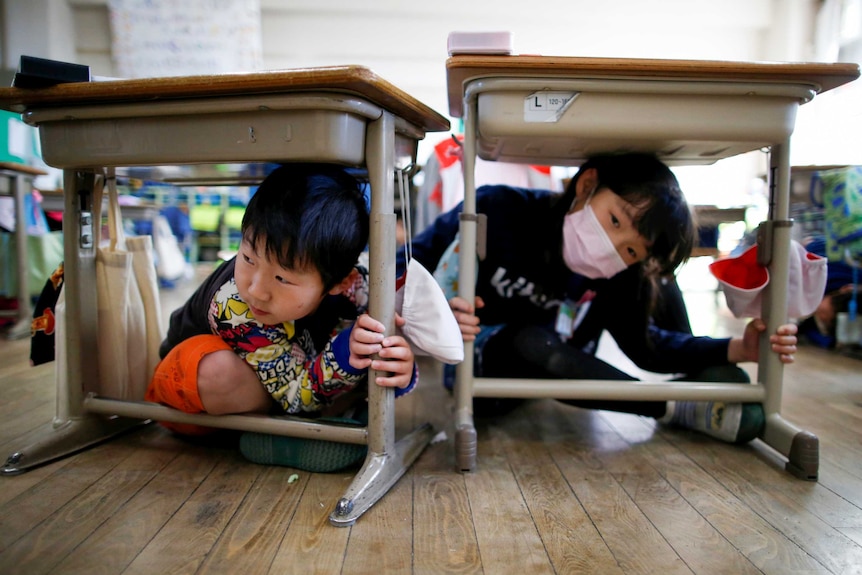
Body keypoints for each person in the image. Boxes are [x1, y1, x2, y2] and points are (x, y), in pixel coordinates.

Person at [407, 152, 798, 444]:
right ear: (586, 184)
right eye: (615, 220)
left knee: (655, 280)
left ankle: (691, 385)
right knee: (530, 339)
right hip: (483, 367)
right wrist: (441, 311)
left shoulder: (619, 274)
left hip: (563, 372)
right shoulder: (498, 208)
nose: (613, 248)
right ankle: (674, 406)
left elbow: (646, 348)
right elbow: (409, 265)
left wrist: (739, 346)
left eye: (631, 250)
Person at [146, 164, 417, 471]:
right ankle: (298, 431)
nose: (256, 289)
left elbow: (379, 348)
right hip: (195, 406)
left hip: (286, 387)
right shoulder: (234, 304)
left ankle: (289, 432)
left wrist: (395, 365)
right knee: (217, 372)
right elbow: (292, 393)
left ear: (340, 282)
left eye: (283, 279)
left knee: (362, 346)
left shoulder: (356, 287)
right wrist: (345, 357)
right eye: (248, 258)